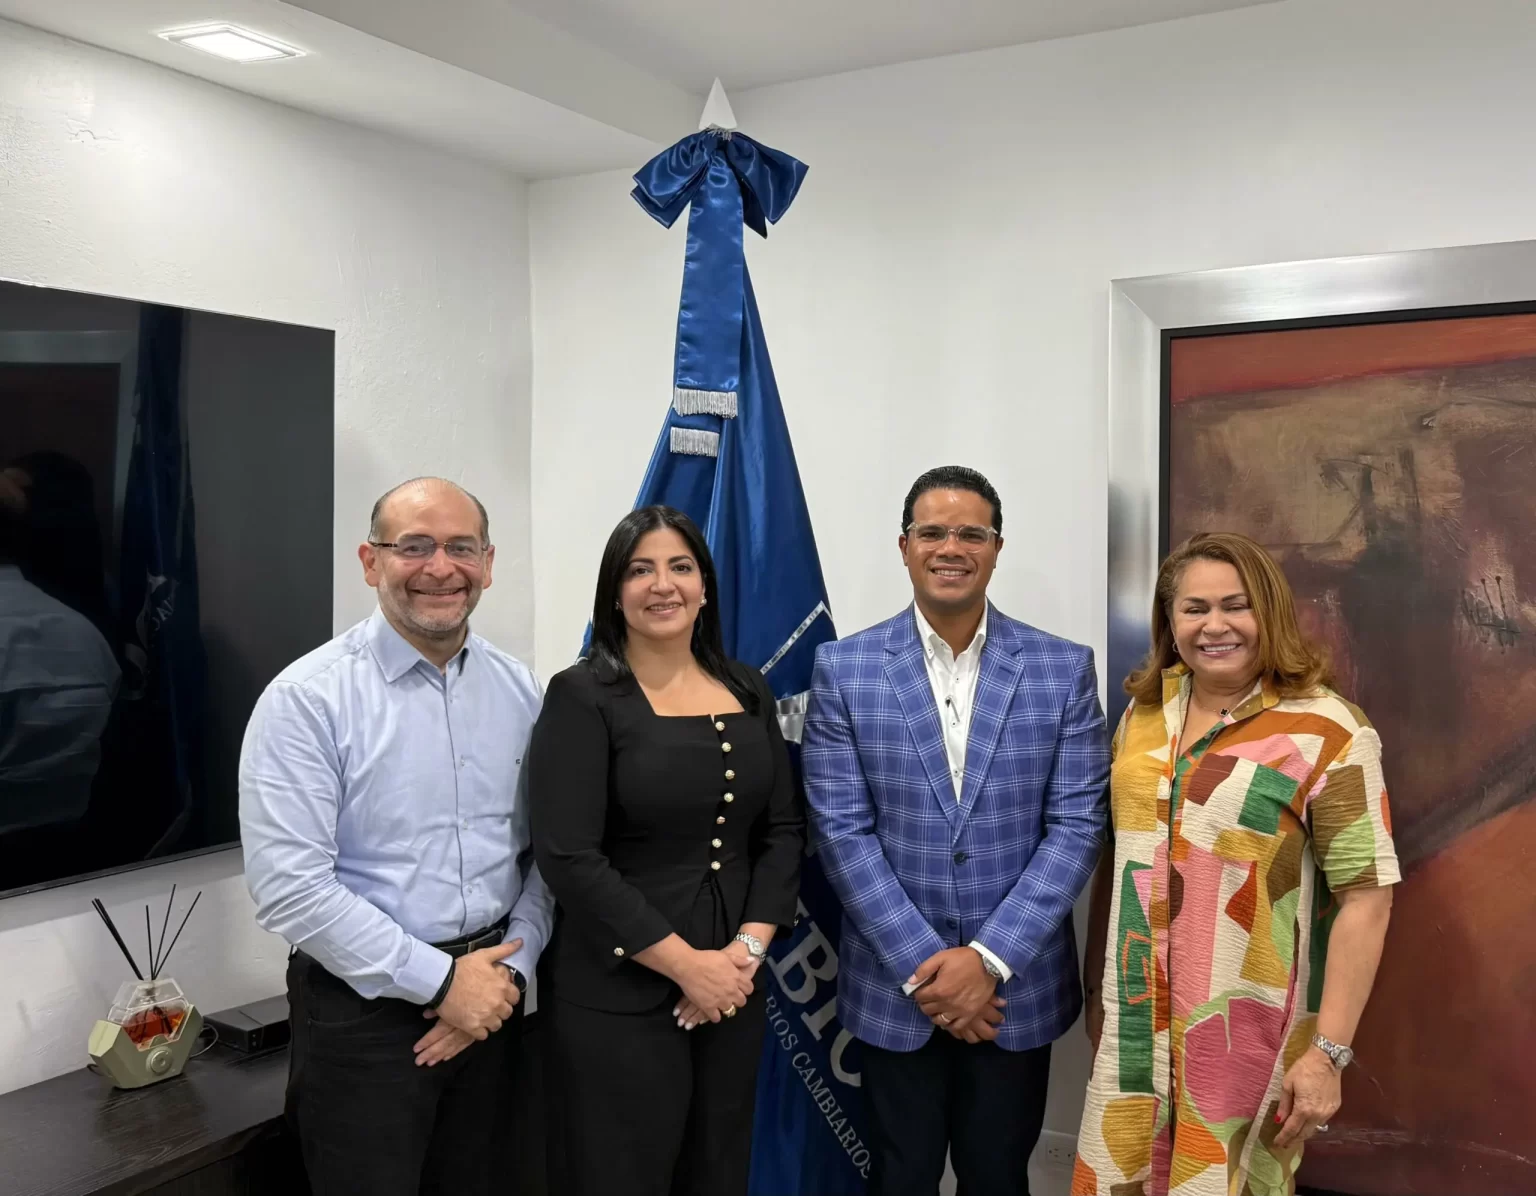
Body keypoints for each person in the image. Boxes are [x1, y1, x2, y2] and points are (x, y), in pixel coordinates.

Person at [239, 477, 553, 1196]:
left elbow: (549, 854)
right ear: (370, 560)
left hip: (497, 999)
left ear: (488, 563)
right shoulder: (306, 701)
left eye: (461, 547)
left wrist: (509, 972)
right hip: (363, 1018)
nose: (441, 567)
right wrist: (442, 983)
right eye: (414, 546)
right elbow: (291, 889)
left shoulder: (524, 692)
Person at [803, 465, 1110, 1196]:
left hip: (1015, 989)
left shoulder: (1063, 669)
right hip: (894, 988)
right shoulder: (844, 669)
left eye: (971, 533)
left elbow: (1076, 825)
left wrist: (987, 961)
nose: (951, 547)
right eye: (933, 532)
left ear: (997, 547)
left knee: (998, 1176)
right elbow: (841, 832)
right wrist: (929, 970)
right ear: (904, 546)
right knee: (900, 1175)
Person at [1073, 531, 1399, 1196]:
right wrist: (1094, 988)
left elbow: (1367, 897)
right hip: (1132, 1031)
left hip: (1246, 1041)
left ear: (1269, 612)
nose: (1214, 625)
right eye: (1194, 609)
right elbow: (1120, 853)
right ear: (1170, 620)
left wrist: (1328, 1055)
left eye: (1235, 605)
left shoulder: (1330, 729)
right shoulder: (1144, 714)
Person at [529, 504, 803, 1196]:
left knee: (717, 1172)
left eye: (680, 567)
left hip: (734, 989)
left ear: (705, 586)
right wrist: (688, 968)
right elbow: (568, 856)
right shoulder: (581, 695)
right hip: (616, 996)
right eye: (640, 570)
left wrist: (743, 956)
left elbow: (783, 830)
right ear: (614, 591)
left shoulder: (747, 687)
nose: (662, 585)